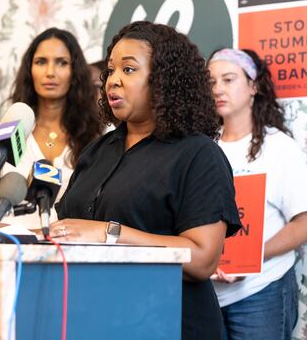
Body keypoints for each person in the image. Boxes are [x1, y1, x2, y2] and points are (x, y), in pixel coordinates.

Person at [51, 21, 242, 339]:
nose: (113, 81)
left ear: (164, 79)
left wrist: (109, 234)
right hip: (96, 320)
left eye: (128, 70)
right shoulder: (98, 150)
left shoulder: (198, 154)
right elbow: (68, 231)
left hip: (169, 322)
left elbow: (202, 259)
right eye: (111, 71)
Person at [208, 48, 307, 340]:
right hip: (206, 296)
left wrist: (249, 257)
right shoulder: (201, 148)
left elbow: (305, 224)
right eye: (211, 82)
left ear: (253, 86)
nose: (218, 88)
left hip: (261, 291)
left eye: (228, 79)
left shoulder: (279, 147)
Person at [0, 27, 102, 228]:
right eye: (41, 62)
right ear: (29, 70)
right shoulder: (1, 133)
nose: (50, 72)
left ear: (75, 72)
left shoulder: (97, 138)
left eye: (62, 62)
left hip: (72, 252)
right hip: (11, 249)